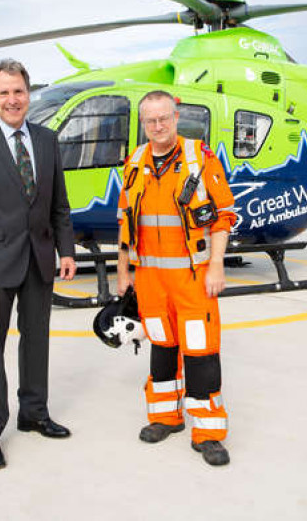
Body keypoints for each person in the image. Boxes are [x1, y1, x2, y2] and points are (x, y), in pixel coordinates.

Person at [0, 58, 77, 469]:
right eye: (3, 93)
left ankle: (33, 413)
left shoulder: (46, 139)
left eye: (18, 91)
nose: (12, 99)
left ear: (28, 94)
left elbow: (59, 203)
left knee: (36, 340)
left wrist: (67, 249)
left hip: (39, 259)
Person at [116, 90, 237, 467]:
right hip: (150, 279)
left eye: (164, 118)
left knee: (200, 353)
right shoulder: (134, 162)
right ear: (143, 123)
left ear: (176, 115)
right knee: (163, 349)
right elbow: (124, 221)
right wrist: (124, 272)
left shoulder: (200, 158)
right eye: (150, 120)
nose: (158, 126)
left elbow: (223, 217)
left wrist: (216, 265)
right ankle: (166, 417)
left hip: (193, 277)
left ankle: (208, 433)